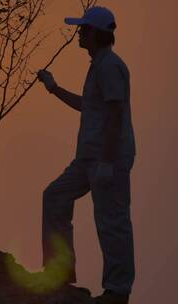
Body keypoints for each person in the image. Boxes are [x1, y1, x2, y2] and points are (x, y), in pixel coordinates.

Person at [37, 6, 136, 304]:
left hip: (109, 158)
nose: (79, 33)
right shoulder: (99, 65)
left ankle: (117, 291)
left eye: (83, 29)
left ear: (95, 33)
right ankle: (59, 272)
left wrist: (107, 161)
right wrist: (53, 89)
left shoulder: (110, 66)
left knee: (112, 221)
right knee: (54, 196)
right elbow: (90, 106)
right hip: (89, 158)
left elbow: (116, 114)